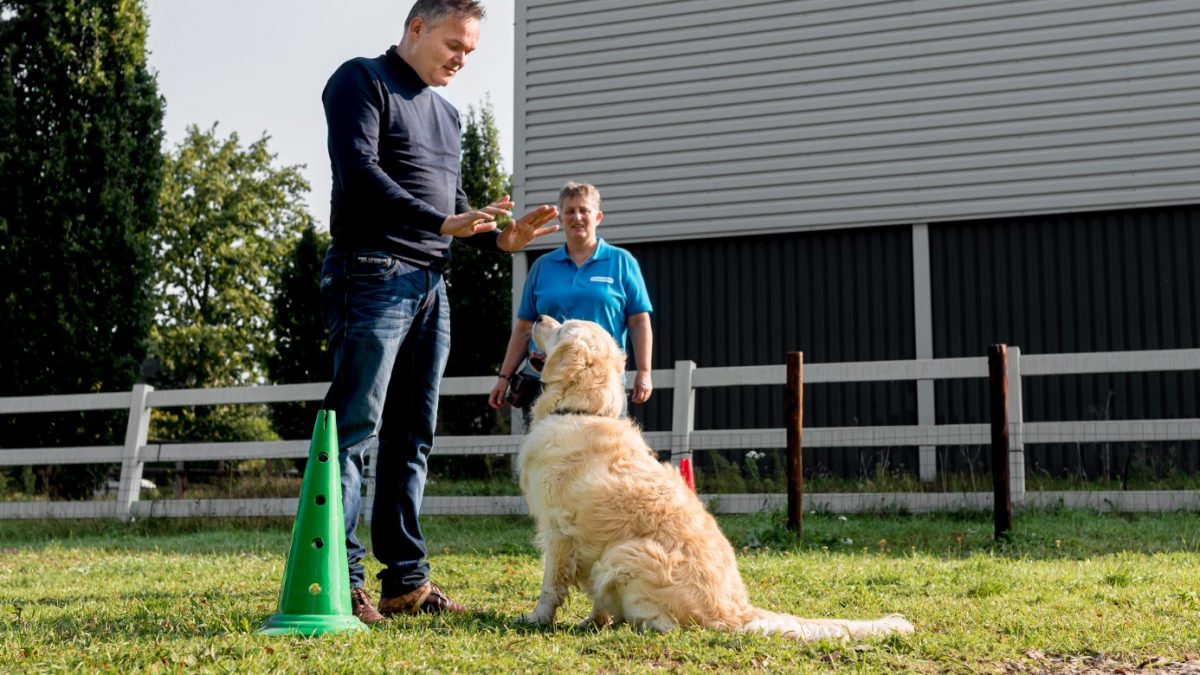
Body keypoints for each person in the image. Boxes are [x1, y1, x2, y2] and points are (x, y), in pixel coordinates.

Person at [319, 0, 559, 625]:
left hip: (431, 286)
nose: (461, 59)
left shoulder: (447, 115)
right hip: (371, 273)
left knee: (413, 437)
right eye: (454, 44)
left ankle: (405, 584)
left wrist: (499, 237)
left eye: (471, 52)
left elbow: (453, 207)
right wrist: (441, 222)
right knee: (353, 432)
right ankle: (342, 584)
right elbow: (360, 173)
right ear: (417, 27)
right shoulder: (360, 81)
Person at [488, 182, 654, 420]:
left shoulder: (622, 262)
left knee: (602, 454)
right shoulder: (542, 266)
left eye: (584, 210)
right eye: (569, 211)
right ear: (561, 217)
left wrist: (645, 372)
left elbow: (639, 321)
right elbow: (525, 328)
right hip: (546, 383)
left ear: (597, 217)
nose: (577, 217)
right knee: (546, 455)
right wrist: (504, 377)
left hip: (600, 385)